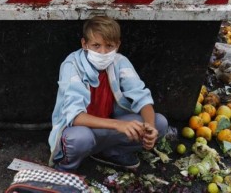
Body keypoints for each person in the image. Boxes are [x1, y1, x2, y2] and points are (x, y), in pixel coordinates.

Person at [49, 15, 168, 172]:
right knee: (80, 138)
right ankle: (65, 168)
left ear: (117, 45)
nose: (103, 52)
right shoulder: (72, 65)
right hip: (82, 130)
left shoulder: (120, 62)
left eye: (109, 46)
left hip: (106, 128)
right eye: (96, 45)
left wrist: (150, 129)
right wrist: (119, 125)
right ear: (84, 44)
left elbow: (142, 98)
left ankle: (111, 152)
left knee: (159, 123)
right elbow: (75, 116)